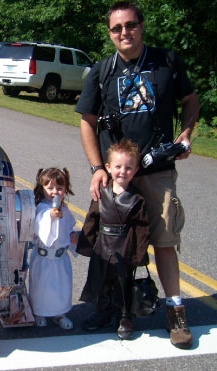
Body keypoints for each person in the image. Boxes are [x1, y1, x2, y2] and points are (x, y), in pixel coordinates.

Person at [75, 1, 199, 349]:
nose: (124, 33)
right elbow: (86, 120)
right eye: (117, 28)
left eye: (130, 25)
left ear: (141, 26)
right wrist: (97, 167)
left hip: (157, 172)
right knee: (112, 245)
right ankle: (112, 306)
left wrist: (185, 134)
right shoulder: (102, 71)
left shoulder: (167, 62)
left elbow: (190, 100)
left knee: (163, 242)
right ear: (110, 33)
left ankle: (175, 311)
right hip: (117, 177)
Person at [77, 139, 150, 340]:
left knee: (123, 281)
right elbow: (92, 218)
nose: (122, 172)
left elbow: (141, 229)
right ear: (108, 168)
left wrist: (138, 254)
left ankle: (124, 315)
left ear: (135, 170)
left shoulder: (137, 199)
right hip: (102, 244)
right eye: (118, 167)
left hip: (124, 246)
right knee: (101, 280)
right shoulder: (102, 193)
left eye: (128, 168)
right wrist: (86, 242)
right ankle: (102, 311)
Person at [29, 168, 78, 330]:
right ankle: (39, 312)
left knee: (61, 286)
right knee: (41, 287)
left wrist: (72, 237)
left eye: (59, 188)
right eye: (49, 188)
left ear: (65, 189)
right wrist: (50, 215)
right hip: (44, 258)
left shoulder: (65, 210)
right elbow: (39, 222)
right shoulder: (42, 208)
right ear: (42, 189)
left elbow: (69, 226)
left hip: (60, 258)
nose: (54, 192)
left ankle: (60, 313)